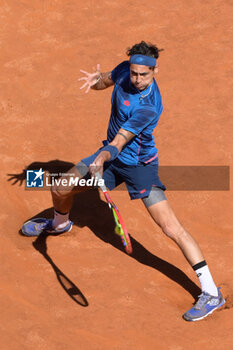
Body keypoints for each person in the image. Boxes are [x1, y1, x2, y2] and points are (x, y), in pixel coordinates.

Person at [22, 41, 225, 321]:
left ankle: (211, 292)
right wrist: (96, 82)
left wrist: (103, 157)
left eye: (144, 74)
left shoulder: (150, 107)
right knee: (60, 186)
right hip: (110, 158)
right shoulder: (123, 72)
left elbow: (120, 140)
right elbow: (104, 81)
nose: (137, 79)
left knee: (169, 227)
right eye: (134, 73)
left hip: (138, 166)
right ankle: (60, 223)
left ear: (155, 71)